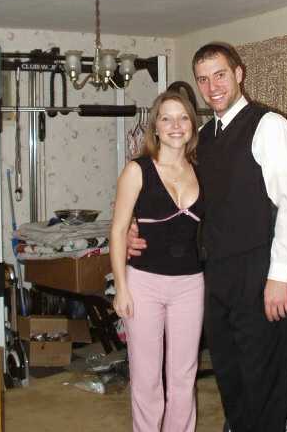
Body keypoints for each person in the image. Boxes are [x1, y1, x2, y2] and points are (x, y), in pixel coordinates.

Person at [128, 42, 287, 432]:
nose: (212, 87)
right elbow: (179, 200)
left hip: (258, 271)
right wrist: (134, 227)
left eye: (220, 75)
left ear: (239, 74)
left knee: (262, 375)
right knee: (229, 374)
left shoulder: (269, 126)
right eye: (203, 79)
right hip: (213, 274)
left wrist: (279, 277)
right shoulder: (203, 137)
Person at [110, 91, 205, 432]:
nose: (175, 125)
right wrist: (121, 288)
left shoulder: (203, 170)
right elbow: (118, 231)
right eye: (167, 118)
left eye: (183, 117)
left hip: (190, 285)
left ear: (192, 125)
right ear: (156, 126)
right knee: (146, 378)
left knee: (183, 376)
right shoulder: (137, 170)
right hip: (143, 285)